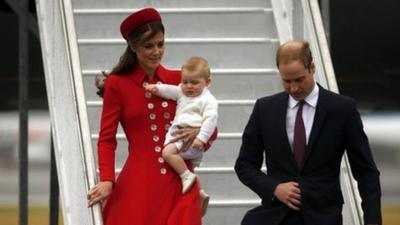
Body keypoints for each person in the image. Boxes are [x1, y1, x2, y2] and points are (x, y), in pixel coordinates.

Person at [87, 8, 216, 225]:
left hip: (180, 178)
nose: (157, 51)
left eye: (160, 44)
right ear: (133, 46)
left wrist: (199, 132)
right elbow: (106, 139)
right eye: (149, 46)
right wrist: (107, 179)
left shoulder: (179, 79)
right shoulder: (117, 84)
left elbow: (211, 123)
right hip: (140, 180)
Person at [234, 40, 381, 225]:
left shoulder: (343, 109)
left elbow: (366, 171)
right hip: (276, 216)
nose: (293, 88)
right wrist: (274, 188)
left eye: (299, 79)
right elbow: (244, 165)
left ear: (312, 68)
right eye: (286, 81)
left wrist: (373, 220)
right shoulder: (265, 109)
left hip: (323, 217)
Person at [145, 56, 218, 213]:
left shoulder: (208, 99)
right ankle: (198, 191)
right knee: (172, 160)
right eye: (185, 82)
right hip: (181, 137)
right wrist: (157, 89)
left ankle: (187, 176)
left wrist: (201, 137)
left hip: (191, 140)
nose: (189, 86)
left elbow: (211, 119)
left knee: (167, 153)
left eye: (194, 83)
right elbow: (170, 91)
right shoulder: (182, 93)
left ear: (208, 82)